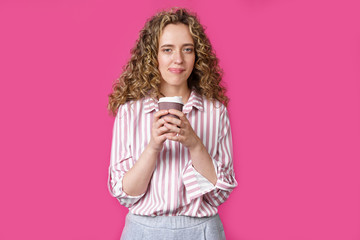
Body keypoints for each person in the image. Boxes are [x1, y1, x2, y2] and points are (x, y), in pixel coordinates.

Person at [107, 7, 237, 240]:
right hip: (143, 232)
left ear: (197, 56)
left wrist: (195, 144)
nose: (178, 59)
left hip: (203, 231)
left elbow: (219, 195)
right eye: (167, 50)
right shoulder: (129, 112)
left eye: (187, 49)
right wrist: (153, 147)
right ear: (153, 55)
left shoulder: (216, 112)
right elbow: (125, 194)